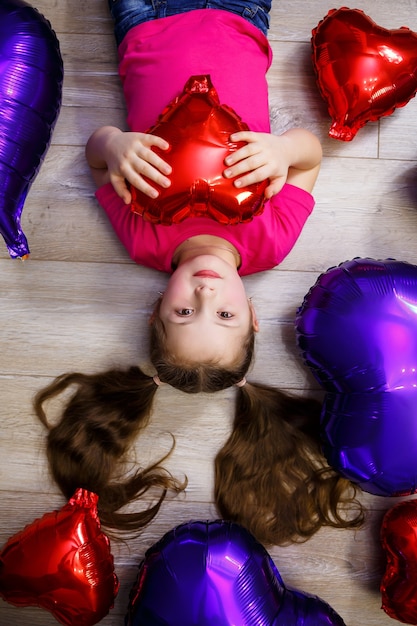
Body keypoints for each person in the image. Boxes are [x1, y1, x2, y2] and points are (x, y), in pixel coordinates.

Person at [34, 1, 365, 545]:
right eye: (226, 313)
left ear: (157, 307)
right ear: (253, 315)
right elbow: (310, 160)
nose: (207, 292)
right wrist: (283, 149)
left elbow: (96, 157)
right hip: (240, 16)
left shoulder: (142, 238)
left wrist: (114, 145)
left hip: (142, 20)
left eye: (185, 312)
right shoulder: (270, 242)